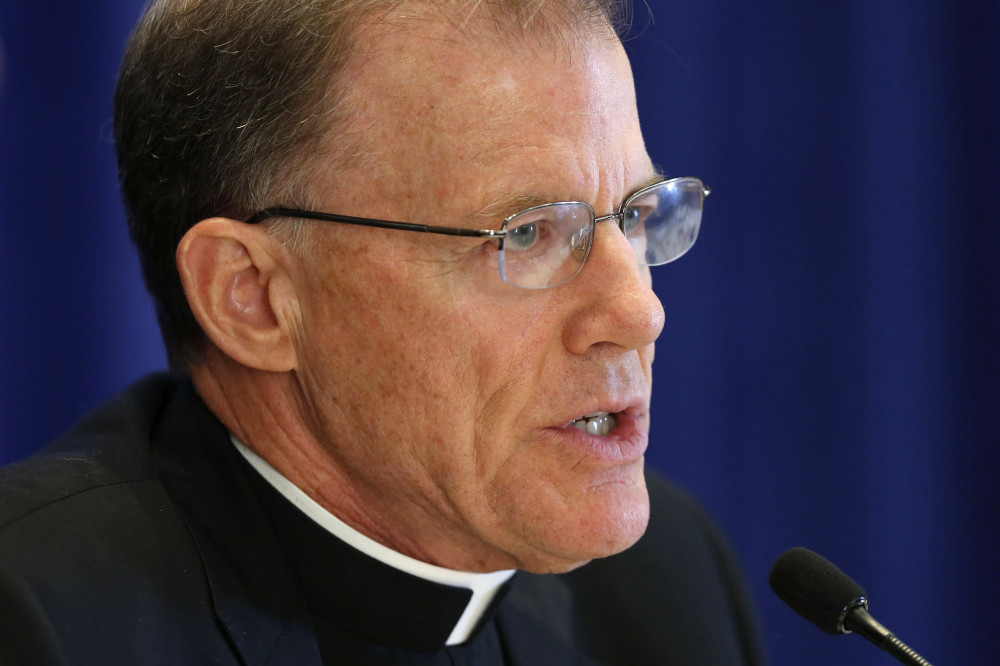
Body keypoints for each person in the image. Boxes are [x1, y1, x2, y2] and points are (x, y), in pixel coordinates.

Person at [0, 0, 765, 663]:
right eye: (528, 234)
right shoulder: (39, 620)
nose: (639, 313)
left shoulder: (667, 585)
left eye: (634, 215)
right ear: (254, 298)